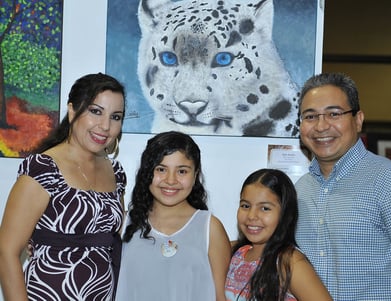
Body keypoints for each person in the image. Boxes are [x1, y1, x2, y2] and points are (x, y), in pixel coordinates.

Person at [0, 73, 127, 300]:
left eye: (115, 116)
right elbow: (6, 252)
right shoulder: (43, 169)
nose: (105, 126)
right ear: (72, 110)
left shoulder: (116, 173)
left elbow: (110, 239)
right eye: (95, 111)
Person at [295, 72, 391, 300]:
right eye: (310, 116)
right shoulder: (300, 189)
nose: (321, 126)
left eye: (334, 114)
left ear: (358, 120)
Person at [116, 131, 231, 301]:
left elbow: (221, 297)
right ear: (147, 172)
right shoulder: (123, 224)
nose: (171, 180)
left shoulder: (210, 228)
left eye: (182, 171)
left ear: (195, 174)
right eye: (161, 169)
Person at [225, 168, 332, 301]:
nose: (252, 216)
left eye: (265, 208)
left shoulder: (289, 262)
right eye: (245, 206)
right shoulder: (236, 253)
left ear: (285, 214)